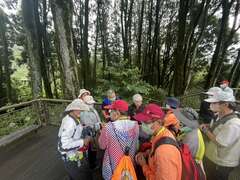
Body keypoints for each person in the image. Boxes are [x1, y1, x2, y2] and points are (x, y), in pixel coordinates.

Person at [134, 104, 182, 180]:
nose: (143, 125)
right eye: (142, 121)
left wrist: (144, 166)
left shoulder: (164, 151)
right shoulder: (160, 134)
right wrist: (147, 154)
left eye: (146, 122)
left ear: (159, 122)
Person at [200, 90, 240, 180]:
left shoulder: (234, 124)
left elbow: (221, 142)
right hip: (212, 157)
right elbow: (217, 128)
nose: (211, 105)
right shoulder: (220, 116)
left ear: (225, 105)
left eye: (215, 103)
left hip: (222, 163)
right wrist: (208, 126)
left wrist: (205, 130)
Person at [98, 100, 139, 180]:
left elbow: (102, 146)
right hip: (129, 165)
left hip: (112, 166)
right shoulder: (135, 126)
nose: (109, 113)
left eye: (111, 110)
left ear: (117, 113)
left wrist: (101, 134)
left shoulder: (108, 127)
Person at [58, 99, 93, 180]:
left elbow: (74, 133)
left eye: (81, 109)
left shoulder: (73, 117)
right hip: (70, 157)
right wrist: (83, 141)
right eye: (78, 109)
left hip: (76, 154)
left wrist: (84, 129)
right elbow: (63, 146)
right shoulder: (69, 123)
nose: (80, 111)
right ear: (72, 109)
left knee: (84, 173)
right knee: (80, 176)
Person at [80, 95, 101, 169]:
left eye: (92, 103)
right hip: (90, 133)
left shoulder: (92, 109)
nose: (92, 105)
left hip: (94, 133)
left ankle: (93, 161)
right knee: (91, 150)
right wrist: (99, 125)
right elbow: (89, 126)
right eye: (89, 104)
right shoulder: (85, 113)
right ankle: (92, 165)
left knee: (93, 149)